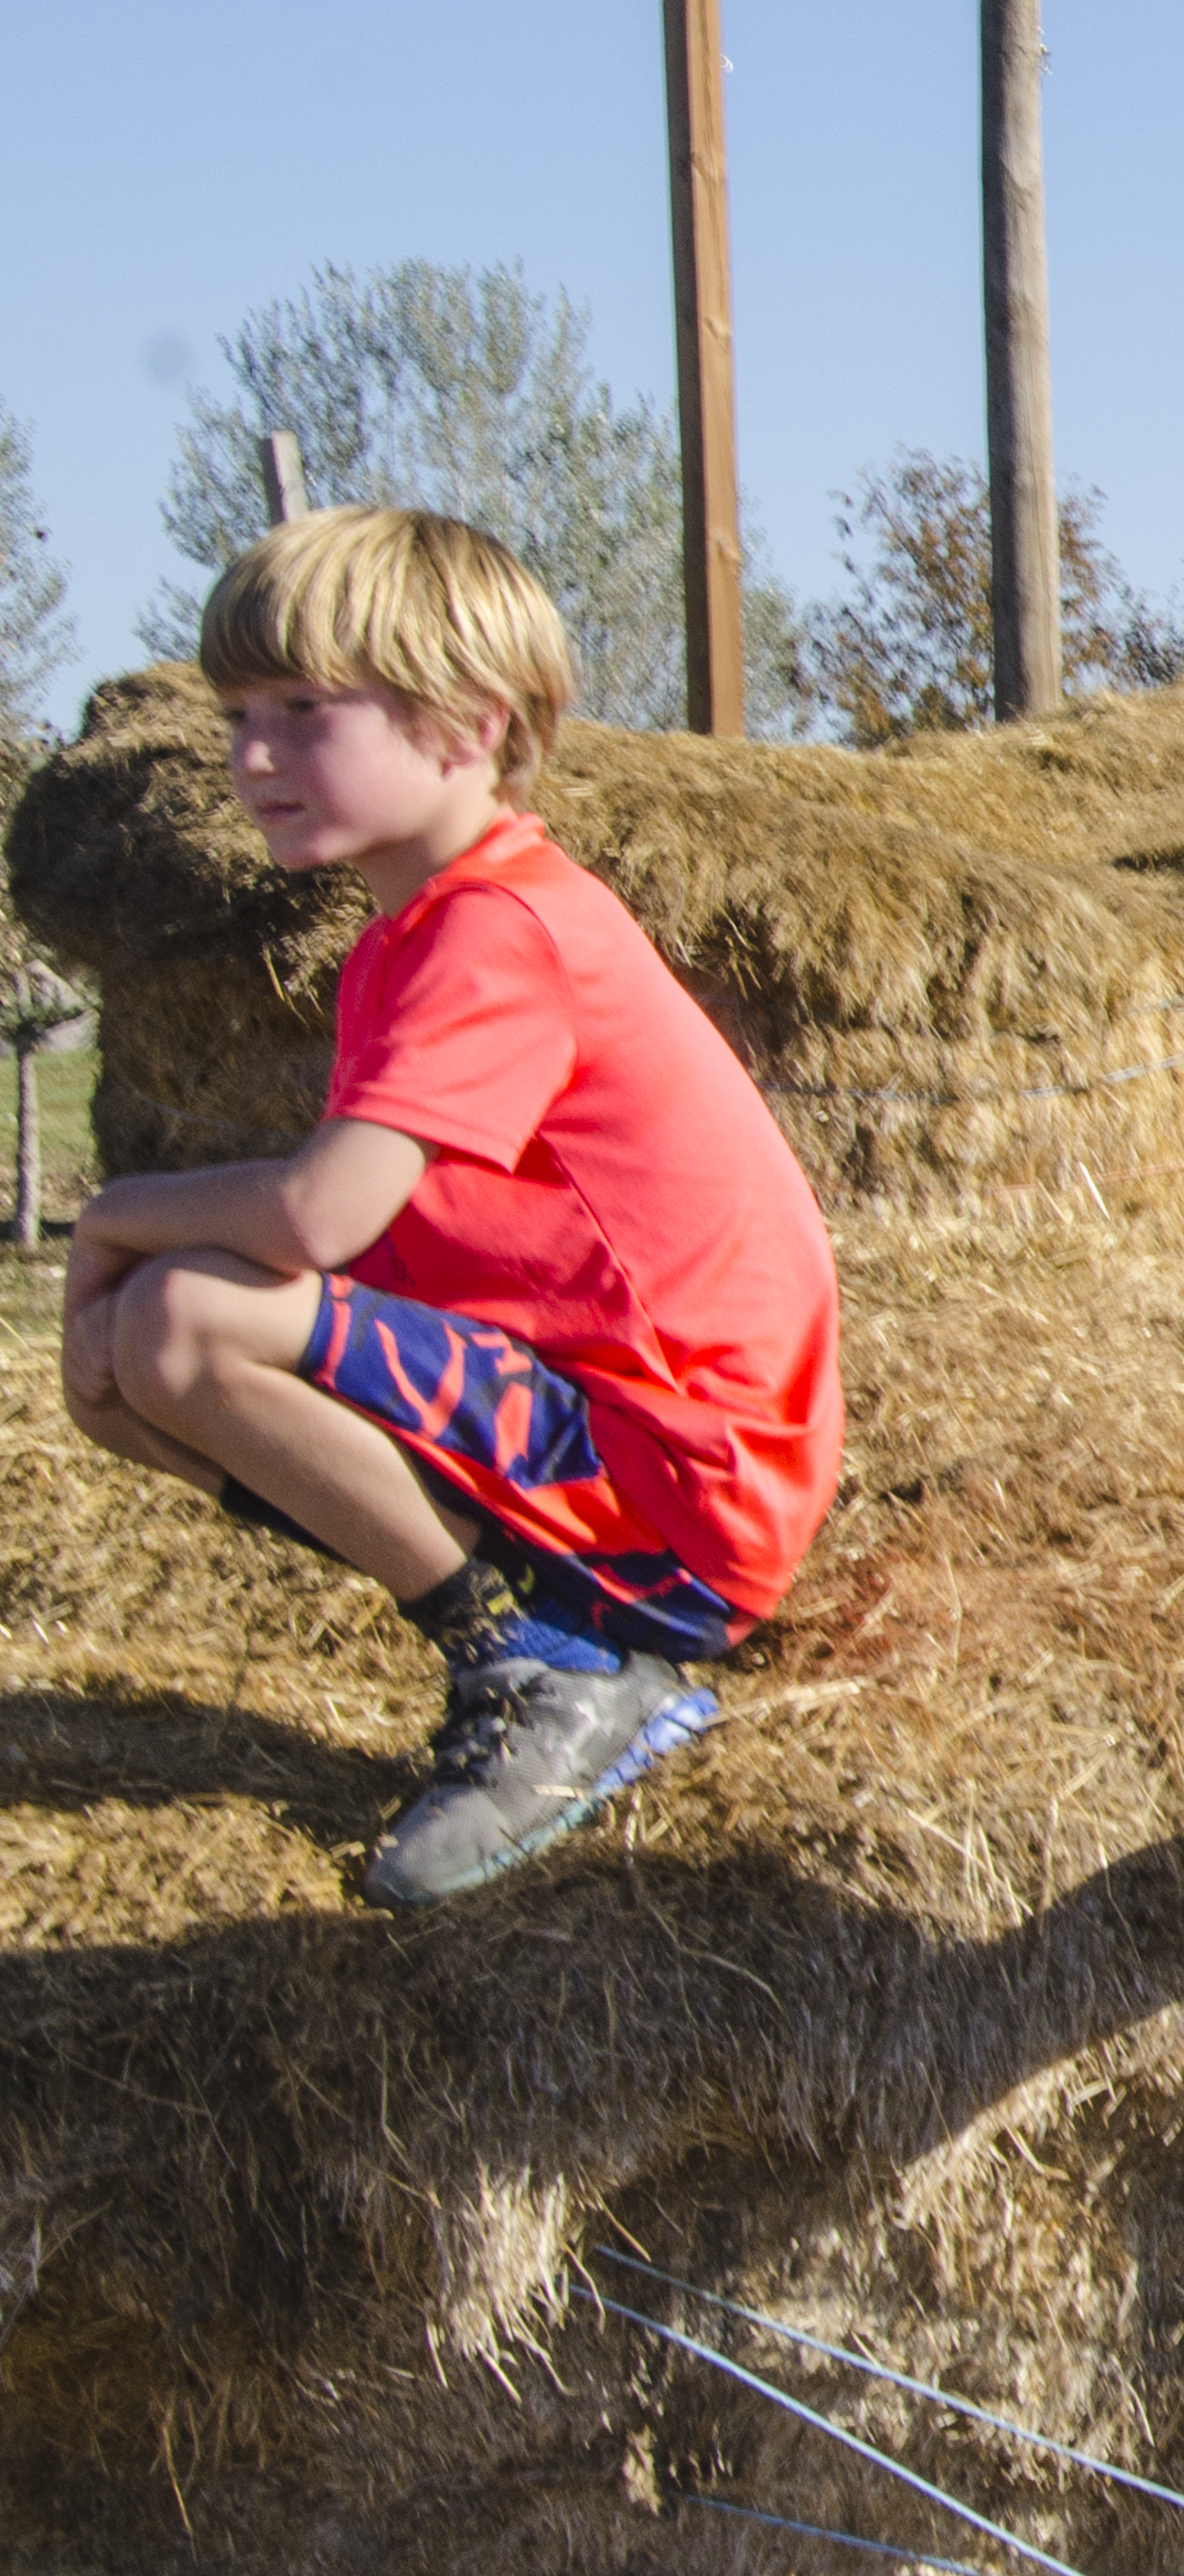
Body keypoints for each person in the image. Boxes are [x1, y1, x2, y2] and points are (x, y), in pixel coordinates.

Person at [60, 509, 844, 1908]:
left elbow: (316, 1216)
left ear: (468, 724)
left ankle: (551, 1669)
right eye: (239, 712)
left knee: (180, 1318)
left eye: (302, 711)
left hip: (676, 1473)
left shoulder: (498, 931)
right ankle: (539, 1629)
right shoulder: (411, 934)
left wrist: (121, 1213)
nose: (248, 754)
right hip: (606, 1436)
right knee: (143, 1348)